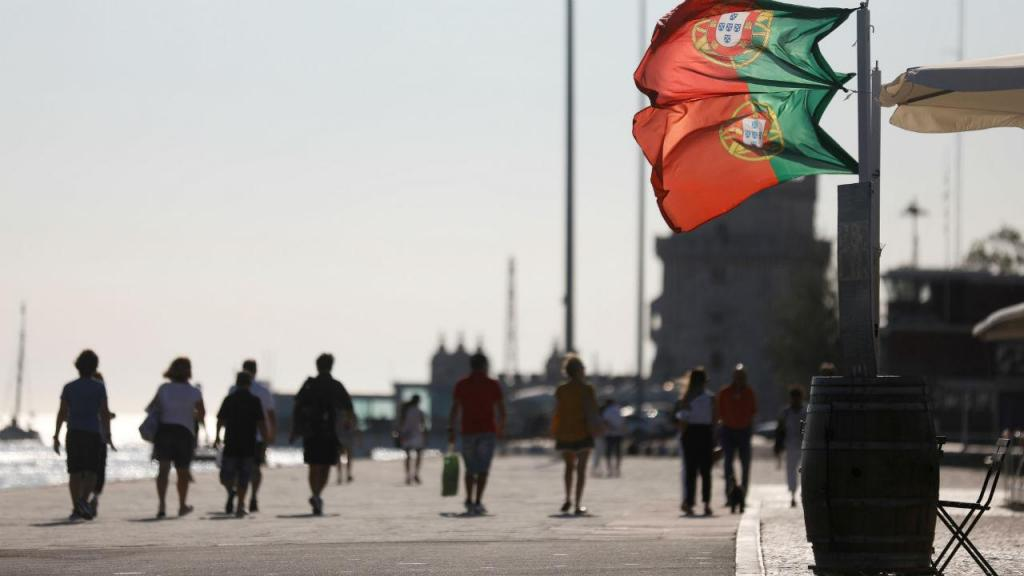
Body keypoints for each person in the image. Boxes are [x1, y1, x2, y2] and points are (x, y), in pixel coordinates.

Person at [52, 350, 114, 521]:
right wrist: (108, 434)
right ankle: (83, 502)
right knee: (92, 471)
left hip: (74, 432)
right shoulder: (99, 387)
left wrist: (56, 435)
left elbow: (62, 412)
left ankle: (76, 507)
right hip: (93, 433)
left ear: (77, 366)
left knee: (75, 471)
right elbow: (104, 412)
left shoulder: (69, 387)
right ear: (95, 367)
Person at [290, 353, 353, 516]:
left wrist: (295, 429)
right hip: (330, 433)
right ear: (331, 366)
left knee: (313, 465)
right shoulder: (336, 385)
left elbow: (297, 406)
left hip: (311, 432)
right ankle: (317, 495)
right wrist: (349, 427)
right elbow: (349, 408)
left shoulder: (310, 384)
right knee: (325, 466)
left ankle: (316, 494)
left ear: (317, 366)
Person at [448, 351, 505, 515]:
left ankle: (468, 499)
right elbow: (501, 410)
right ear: (485, 366)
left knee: (470, 468)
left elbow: (455, 409)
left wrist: (451, 429)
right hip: (487, 432)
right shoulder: (493, 384)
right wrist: (501, 428)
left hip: (467, 431)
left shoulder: (461, 384)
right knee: (483, 469)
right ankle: (478, 501)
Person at [148, 357, 205, 518]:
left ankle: (162, 505)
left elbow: (152, 407)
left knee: (163, 470)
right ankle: (181, 505)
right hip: (184, 433)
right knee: (182, 471)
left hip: (164, 431)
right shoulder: (194, 391)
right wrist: (189, 413)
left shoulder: (164, 388)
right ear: (189, 371)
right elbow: (201, 415)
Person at [215, 371, 270, 518]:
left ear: (237, 383)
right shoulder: (254, 400)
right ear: (249, 384)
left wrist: (217, 436)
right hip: (248, 444)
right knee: (244, 476)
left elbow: (220, 419)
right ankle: (239, 504)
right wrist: (265, 441)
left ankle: (234, 495)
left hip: (231, 442)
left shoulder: (229, 399)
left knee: (226, 475)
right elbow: (262, 424)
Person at [552, 355, 601, 515]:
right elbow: (594, 411)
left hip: (565, 432)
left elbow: (557, 411)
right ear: (579, 371)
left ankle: (567, 498)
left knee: (568, 467)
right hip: (583, 432)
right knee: (581, 469)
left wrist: (554, 430)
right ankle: (578, 504)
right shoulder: (587, 389)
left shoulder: (561, 390)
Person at [231, 359, 277, 513]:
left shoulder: (233, 389)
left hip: (237, 435)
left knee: (238, 468)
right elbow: (270, 415)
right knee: (255, 468)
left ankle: (241, 497)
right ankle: (253, 496)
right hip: (258, 437)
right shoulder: (263, 391)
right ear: (256, 371)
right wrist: (271, 433)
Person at [678, 367, 716, 517]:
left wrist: (682, 435)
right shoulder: (711, 398)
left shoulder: (686, 399)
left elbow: (683, 421)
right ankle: (706, 503)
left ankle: (689, 503)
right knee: (706, 471)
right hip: (706, 433)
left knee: (691, 471)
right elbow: (715, 419)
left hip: (691, 434)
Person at [717, 363, 757, 504]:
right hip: (728, 431)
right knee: (728, 463)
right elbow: (719, 411)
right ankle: (730, 494)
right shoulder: (725, 392)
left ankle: (743, 495)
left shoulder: (749, 392)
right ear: (733, 377)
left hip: (744, 431)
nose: (740, 379)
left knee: (745, 464)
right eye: (737, 376)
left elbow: (753, 411)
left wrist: (748, 427)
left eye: (742, 376)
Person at [87, 372, 115, 517]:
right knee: (97, 470)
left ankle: (88, 499)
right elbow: (105, 415)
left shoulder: (84, 394)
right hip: (98, 438)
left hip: (90, 436)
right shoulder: (101, 394)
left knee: (89, 470)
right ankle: (91, 499)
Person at [776, 387, 806, 508]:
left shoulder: (806, 411)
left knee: (806, 470)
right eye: (793, 398)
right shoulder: (785, 413)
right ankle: (793, 494)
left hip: (805, 445)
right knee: (791, 471)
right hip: (791, 445)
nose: (795, 400)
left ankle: (805, 492)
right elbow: (780, 430)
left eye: (797, 397)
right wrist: (778, 445)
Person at [398, 395, 427, 485]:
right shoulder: (420, 411)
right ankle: (416, 473)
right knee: (418, 455)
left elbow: (401, 423)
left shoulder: (405, 410)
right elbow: (423, 425)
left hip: (406, 434)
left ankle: (408, 475)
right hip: (417, 435)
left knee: (408, 456)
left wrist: (400, 433)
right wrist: (425, 436)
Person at [600, 398, 626, 478]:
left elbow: (605, 422)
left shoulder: (607, 411)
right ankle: (617, 468)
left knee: (609, 452)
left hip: (609, 434)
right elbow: (623, 422)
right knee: (618, 452)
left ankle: (610, 469)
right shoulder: (619, 410)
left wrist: (611, 428)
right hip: (619, 433)